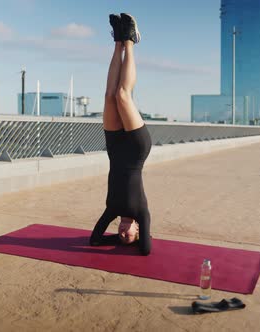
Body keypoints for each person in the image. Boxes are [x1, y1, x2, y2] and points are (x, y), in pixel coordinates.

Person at [89, 13, 152, 256]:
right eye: (130, 236)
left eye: (121, 236)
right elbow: (145, 250)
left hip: (114, 146)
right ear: (137, 229)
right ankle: (131, 41)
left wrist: (115, 238)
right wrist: (134, 241)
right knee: (123, 95)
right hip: (136, 149)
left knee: (108, 95)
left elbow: (95, 240)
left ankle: (118, 40)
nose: (125, 234)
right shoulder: (141, 213)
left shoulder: (112, 209)